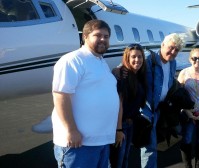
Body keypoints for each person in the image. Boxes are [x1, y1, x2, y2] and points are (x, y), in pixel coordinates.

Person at [51, 19, 120, 167]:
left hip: (100, 142)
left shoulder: (101, 62)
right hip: (79, 144)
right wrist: (71, 130)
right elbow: (60, 95)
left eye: (106, 36)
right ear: (85, 37)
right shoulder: (73, 60)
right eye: (98, 35)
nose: (103, 39)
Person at [140, 33, 184, 168]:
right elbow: (127, 65)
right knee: (149, 146)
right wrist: (118, 71)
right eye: (171, 47)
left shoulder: (172, 62)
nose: (173, 52)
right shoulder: (148, 59)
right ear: (162, 45)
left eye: (176, 50)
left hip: (160, 108)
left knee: (154, 143)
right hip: (147, 110)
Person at [109, 43, 147, 168]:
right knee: (117, 161)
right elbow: (119, 103)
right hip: (121, 125)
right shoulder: (122, 75)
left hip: (131, 124)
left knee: (125, 158)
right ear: (127, 58)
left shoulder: (138, 75)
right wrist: (118, 129)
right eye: (133, 57)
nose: (137, 60)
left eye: (140, 57)